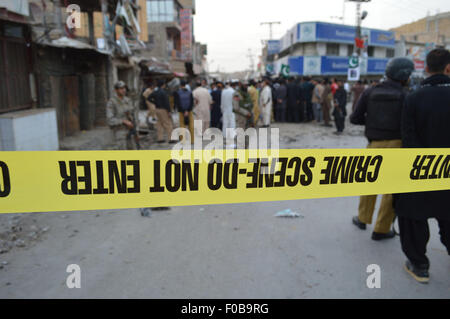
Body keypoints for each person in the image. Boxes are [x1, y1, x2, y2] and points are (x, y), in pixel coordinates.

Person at [395, 49, 450, 283]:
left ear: (426, 68)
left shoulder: (414, 97)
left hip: (421, 169)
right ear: (448, 69)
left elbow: (408, 138)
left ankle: (419, 265)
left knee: (412, 215)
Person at [350, 57, 415, 240]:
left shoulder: (371, 91)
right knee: (391, 190)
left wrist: (371, 122)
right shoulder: (406, 95)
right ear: (404, 75)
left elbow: (355, 118)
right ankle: (382, 229)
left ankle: (362, 218)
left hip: (374, 144)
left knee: (369, 182)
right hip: (398, 145)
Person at [106, 81, 140, 150]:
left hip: (130, 132)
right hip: (119, 133)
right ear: (116, 90)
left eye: (124, 88)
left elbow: (133, 116)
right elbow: (110, 120)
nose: (124, 90)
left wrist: (136, 131)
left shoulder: (128, 100)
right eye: (121, 88)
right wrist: (123, 121)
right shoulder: (112, 102)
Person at [148, 80, 176, 144]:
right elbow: (167, 103)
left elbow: (148, 98)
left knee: (159, 124)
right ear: (163, 85)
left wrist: (154, 102)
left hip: (157, 109)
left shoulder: (155, 91)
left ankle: (160, 139)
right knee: (168, 124)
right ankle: (171, 139)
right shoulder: (163, 92)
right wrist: (169, 111)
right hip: (163, 110)